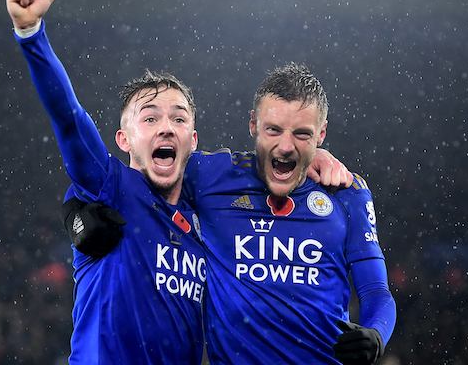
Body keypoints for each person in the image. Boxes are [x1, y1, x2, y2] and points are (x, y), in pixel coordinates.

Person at [70, 65, 397, 363]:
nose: (285, 146)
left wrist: (377, 334)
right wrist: (74, 212)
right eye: (273, 130)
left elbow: (376, 292)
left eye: (302, 133)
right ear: (253, 124)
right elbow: (132, 174)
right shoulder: (211, 175)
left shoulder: (346, 193)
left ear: (321, 134)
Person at [5, 0, 206, 364]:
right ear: (124, 140)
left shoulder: (210, 219)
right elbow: (69, 118)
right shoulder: (110, 187)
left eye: (179, 119)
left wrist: (315, 155)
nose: (166, 126)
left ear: (193, 142)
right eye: (150, 119)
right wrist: (31, 35)